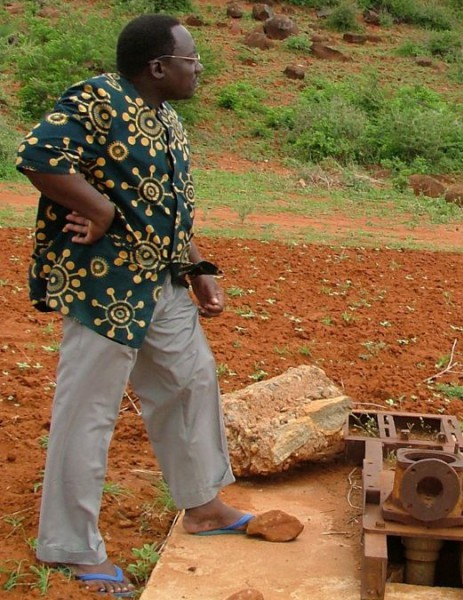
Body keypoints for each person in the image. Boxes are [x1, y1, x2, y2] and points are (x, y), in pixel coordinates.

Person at [15, 14, 267, 597]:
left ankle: (203, 505)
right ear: (158, 66)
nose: (199, 69)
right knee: (89, 411)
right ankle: (72, 546)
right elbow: (39, 155)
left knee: (190, 379)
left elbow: (170, 210)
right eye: (192, 61)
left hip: (162, 282)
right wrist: (98, 208)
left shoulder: (169, 121)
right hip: (104, 287)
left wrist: (198, 268)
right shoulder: (98, 98)